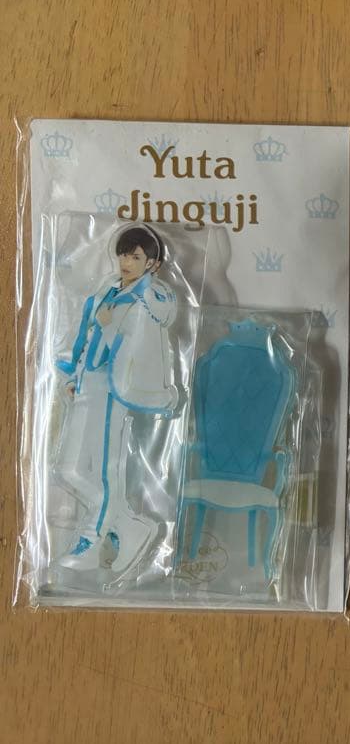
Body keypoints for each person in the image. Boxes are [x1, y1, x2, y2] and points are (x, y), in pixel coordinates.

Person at [53, 223, 179, 574]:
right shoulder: (107, 291)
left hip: (114, 392)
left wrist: (108, 324)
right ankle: (128, 525)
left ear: (152, 263)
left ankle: (91, 540)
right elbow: (87, 335)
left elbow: (135, 343)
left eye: (135, 257)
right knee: (68, 470)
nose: (126, 262)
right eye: (123, 255)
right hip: (87, 387)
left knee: (106, 470)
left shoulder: (148, 301)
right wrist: (74, 376)